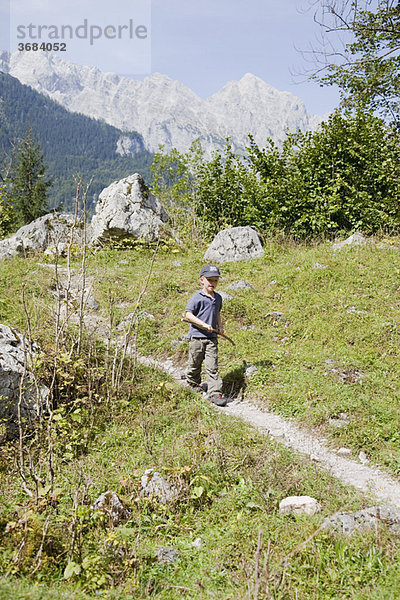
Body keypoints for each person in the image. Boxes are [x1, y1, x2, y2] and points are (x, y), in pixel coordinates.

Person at [185, 264, 227, 407]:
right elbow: (188, 315)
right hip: (196, 337)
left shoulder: (218, 298)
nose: (212, 283)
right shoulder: (197, 297)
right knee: (195, 363)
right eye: (210, 280)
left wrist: (219, 326)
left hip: (211, 339)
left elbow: (217, 313)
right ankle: (193, 383)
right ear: (202, 280)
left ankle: (215, 393)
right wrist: (203, 325)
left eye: (215, 280)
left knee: (212, 366)